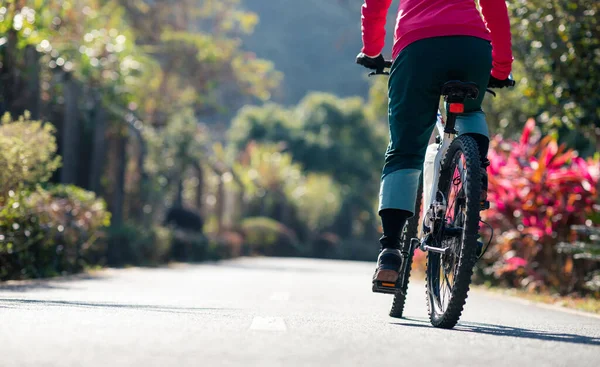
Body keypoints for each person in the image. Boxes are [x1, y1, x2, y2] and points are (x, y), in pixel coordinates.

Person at [356, 0, 514, 291]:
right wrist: (502, 68)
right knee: (470, 112)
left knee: (405, 149)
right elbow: (494, 6)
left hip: (417, 48)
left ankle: (390, 253)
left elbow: (376, 4)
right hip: (471, 45)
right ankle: (475, 174)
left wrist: (372, 51)